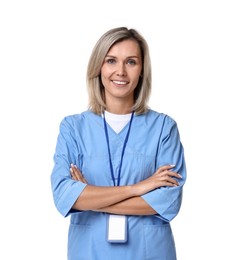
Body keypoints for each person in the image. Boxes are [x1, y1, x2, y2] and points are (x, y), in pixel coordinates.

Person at [50, 26, 187, 260]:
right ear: (98, 67)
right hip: (89, 251)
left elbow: (167, 201)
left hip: (149, 252)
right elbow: (64, 195)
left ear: (142, 70)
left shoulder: (164, 128)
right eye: (111, 61)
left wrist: (90, 198)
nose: (120, 72)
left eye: (131, 62)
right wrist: (138, 188)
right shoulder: (73, 128)